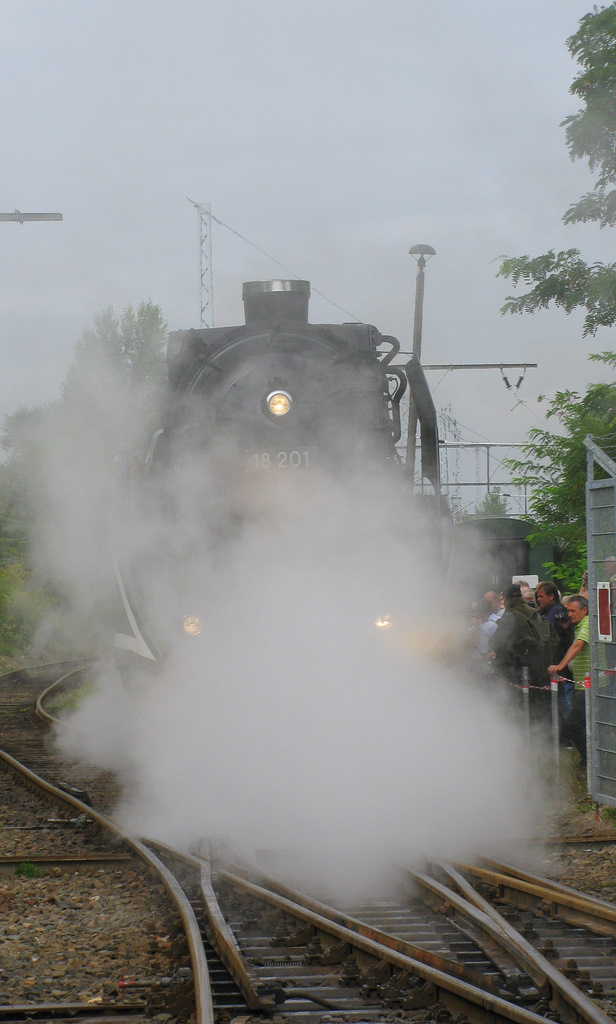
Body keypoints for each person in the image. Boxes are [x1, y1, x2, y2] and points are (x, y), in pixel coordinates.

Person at [491, 584, 554, 725]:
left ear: (506, 600)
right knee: (535, 712)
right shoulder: (535, 613)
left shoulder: (510, 617)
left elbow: (495, 642)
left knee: (513, 711)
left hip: (515, 672)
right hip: (538, 670)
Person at [548, 595, 590, 768]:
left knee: (573, 724)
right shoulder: (578, 625)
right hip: (580, 685)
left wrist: (560, 665)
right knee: (583, 725)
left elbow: (577, 645)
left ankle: (588, 762)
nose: (569, 614)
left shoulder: (587, 624)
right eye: (568, 611)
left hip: (588, 686)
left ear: (584, 611)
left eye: (573, 611)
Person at [536, 581, 574, 720]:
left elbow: (550, 637)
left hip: (558, 664)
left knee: (562, 702)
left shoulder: (556, 611)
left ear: (551, 596)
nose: (538, 600)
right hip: (552, 665)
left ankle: (569, 732)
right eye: (537, 597)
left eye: (541, 596)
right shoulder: (545, 612)